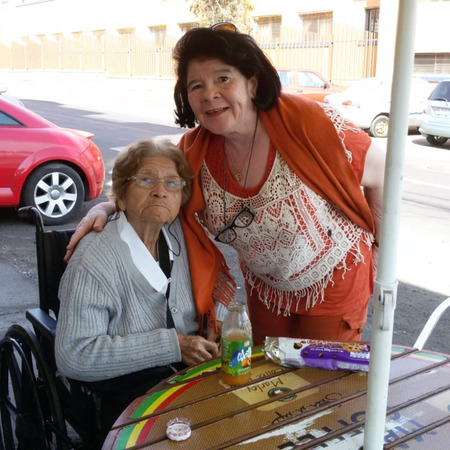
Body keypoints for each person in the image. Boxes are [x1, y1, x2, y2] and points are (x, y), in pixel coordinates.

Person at [66, 24, 385, 347]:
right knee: (266, 366)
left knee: (318, 373)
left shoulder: (310, 124)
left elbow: (384, 173)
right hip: (266, 286)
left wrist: (380, 249)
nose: (209, 94)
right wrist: (108, 206)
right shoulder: (194, 153)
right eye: (196, 86)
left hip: (334, 276)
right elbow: (156, 187)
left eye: (223, 78)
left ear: (252, 83)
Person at [55, 138, 223, 440]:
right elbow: (74, 355)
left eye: (172, 183)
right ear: (121, 193)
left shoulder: (181, 234)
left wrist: (215, 324)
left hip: (187, 376)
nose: (161, 191)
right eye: (146, 180)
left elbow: (214, 287)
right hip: (127, 390)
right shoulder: (94, 258)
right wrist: (173, 345)